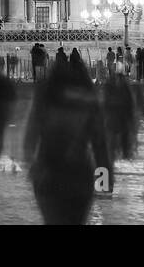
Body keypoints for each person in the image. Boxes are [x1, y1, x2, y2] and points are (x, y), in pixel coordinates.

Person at [23, 46, 111, 224]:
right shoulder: (89, 98)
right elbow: (100, 145)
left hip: (48, 173)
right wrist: (105, 182)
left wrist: (32, 167)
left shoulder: (45, 96)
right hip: (79, 174)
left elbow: (30, 137)